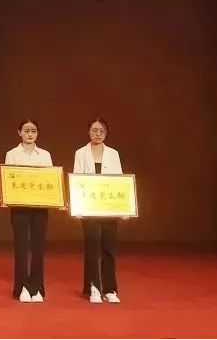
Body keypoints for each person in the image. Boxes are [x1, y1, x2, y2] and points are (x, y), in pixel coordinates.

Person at [74, 118, 124, 304]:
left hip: (109, 208)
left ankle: (110, 289)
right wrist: (77, 207)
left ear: (106, 133)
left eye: (101, 130)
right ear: (88, 132)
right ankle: (93, 287)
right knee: (92, 247)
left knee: (109, 248)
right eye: (94, 130)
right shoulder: (81, 153)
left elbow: (120, 181)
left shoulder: (113, 154)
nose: (97, 133)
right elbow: (77, 180)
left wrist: (123, 207)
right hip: (89, 208)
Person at [4, 118, 52, 303]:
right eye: (26, 131)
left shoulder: (45, 155)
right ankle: (22, 287)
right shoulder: (12, 154)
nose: (30, 134)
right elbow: (8, 179)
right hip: (19, 208)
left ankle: (37, 287)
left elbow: (50, 181)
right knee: (21, 247)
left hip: (40, 207)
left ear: (37, 133)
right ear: (19, 133)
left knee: (38, 248)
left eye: (33, 131)